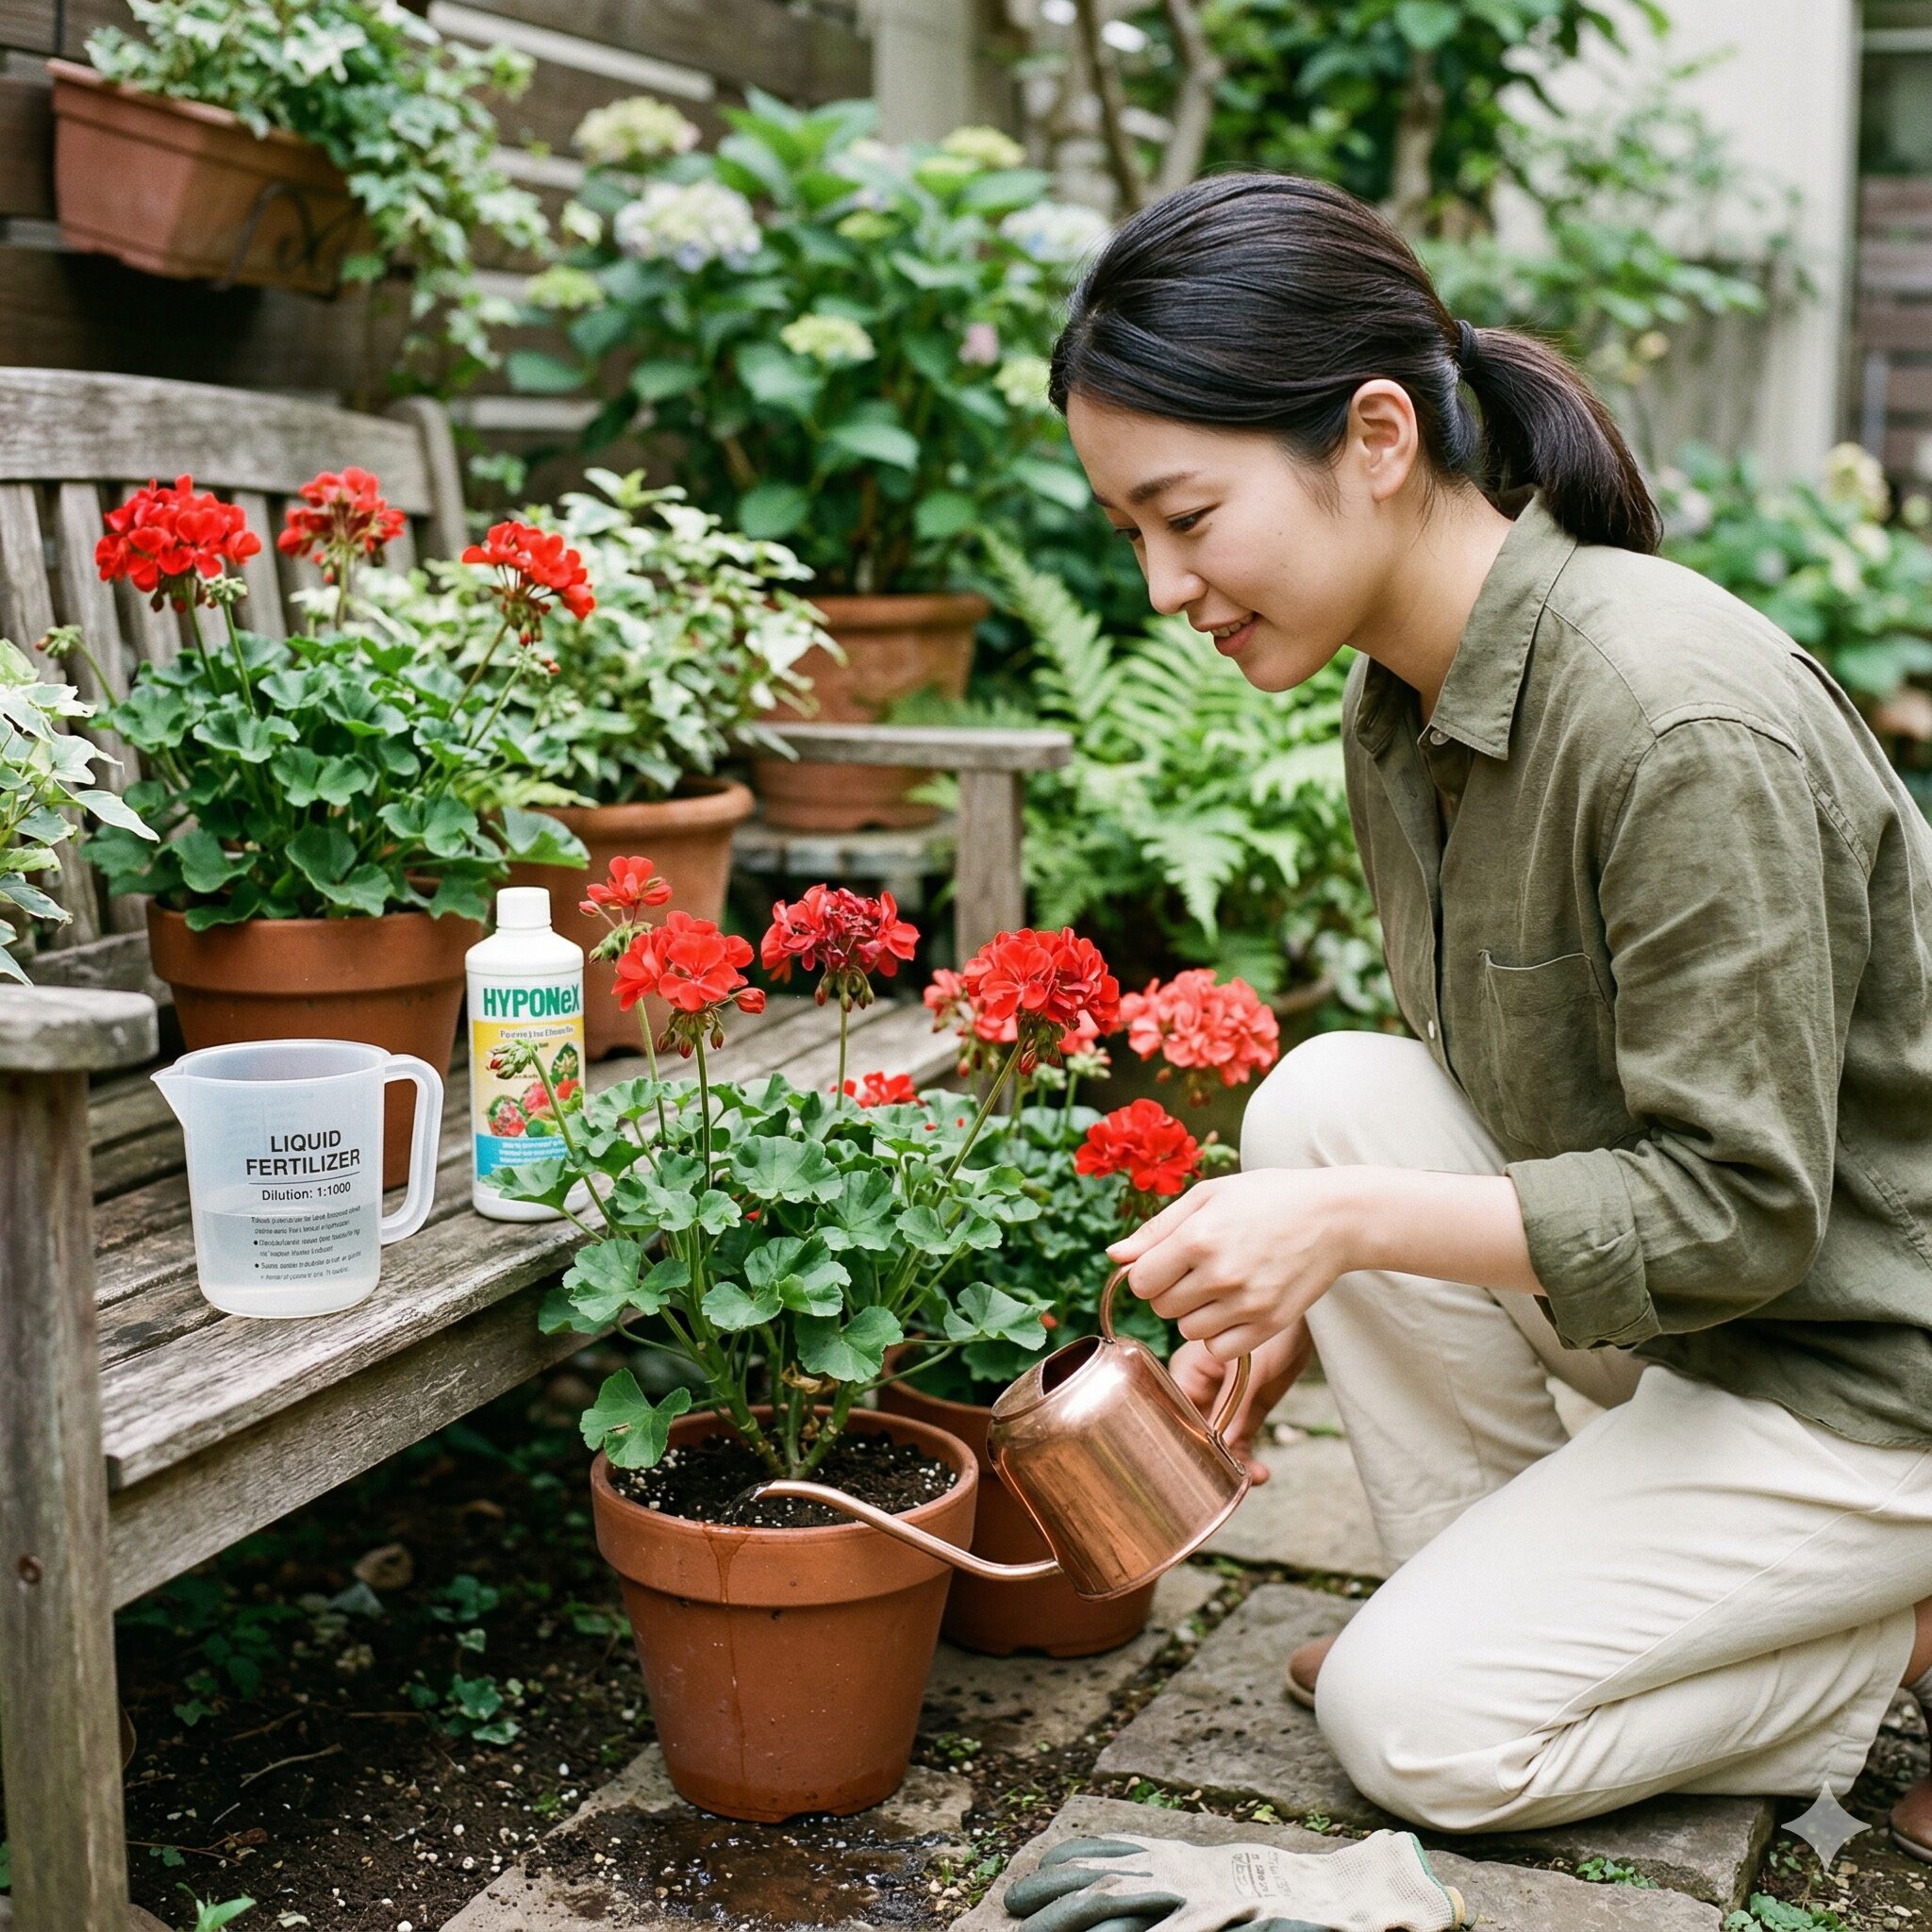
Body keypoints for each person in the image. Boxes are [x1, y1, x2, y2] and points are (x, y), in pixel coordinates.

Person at [1057, 172, 1932, 1854]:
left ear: (1376, 435)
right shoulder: (1402, 705)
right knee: (1325, 1099)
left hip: (1866, 1366)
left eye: (1188, 515)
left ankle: (1889, 1637)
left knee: (1422, 1734)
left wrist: (1350, 1233)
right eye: (1133, 535)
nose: (1165, 587)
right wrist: (1317, 1243)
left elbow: (1746, 1211)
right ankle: (1490, 1611)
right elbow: (1494, 1124)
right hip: (1701, 1332)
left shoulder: (1675, 722)